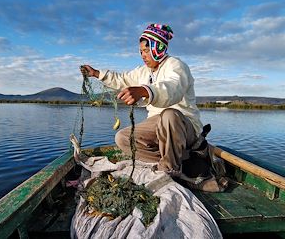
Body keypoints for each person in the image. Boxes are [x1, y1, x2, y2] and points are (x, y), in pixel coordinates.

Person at [81, 24, 223, 190]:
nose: (143, 55)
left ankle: (171, 169)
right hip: (159, 126)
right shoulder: (143, 71)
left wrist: (144, 90)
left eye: (146, 50)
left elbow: (173, 88)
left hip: (184, 126)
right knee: (122, 138)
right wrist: (97, 73)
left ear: (159, 48)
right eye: (141, 51)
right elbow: (122, 80)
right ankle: (179, 160)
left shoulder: (176, 66)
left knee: (169, 115)